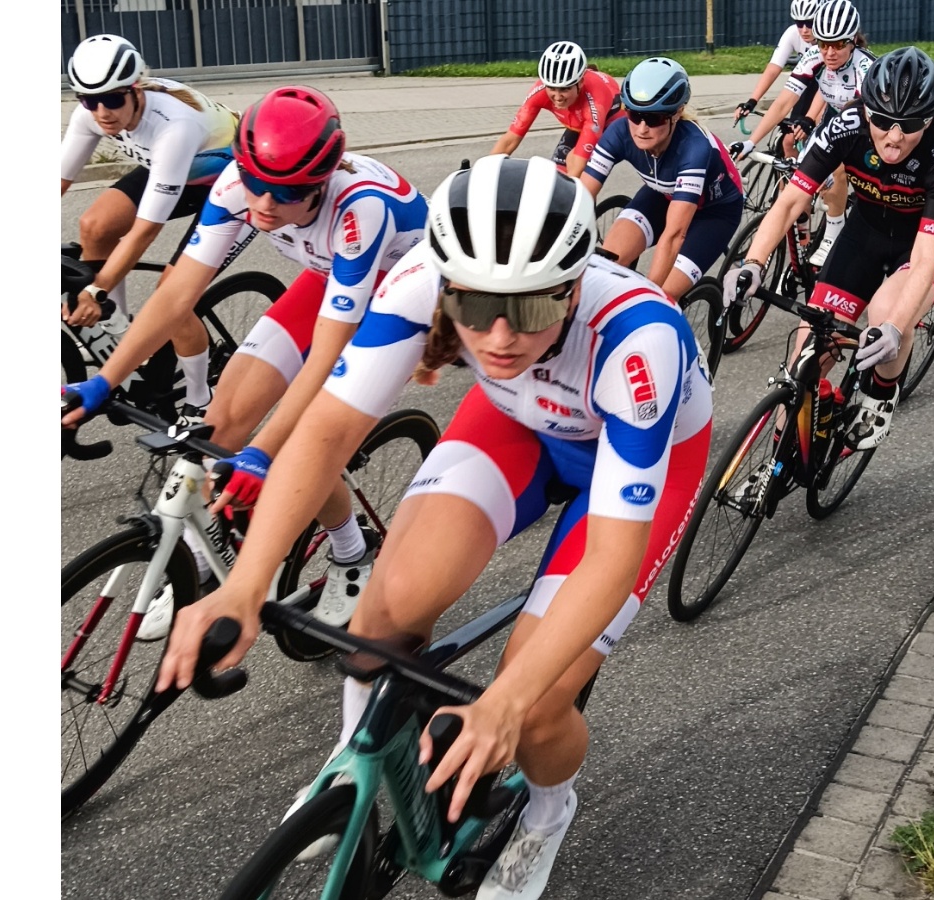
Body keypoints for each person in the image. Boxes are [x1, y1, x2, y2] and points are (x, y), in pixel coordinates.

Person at [155, 154, 713, 900]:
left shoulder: (641, 340)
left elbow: (612, 558)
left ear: (576, 286)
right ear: (447, 285)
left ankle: (547, 812)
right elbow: (324, 432)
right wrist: (248, 582)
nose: (503, 338)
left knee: (541, 700)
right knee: (386, 608)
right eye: (477, 309)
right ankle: (354, 762)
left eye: (537, 307)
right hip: (518, 424)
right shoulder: (418, 276)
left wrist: (505, 701)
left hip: (638, 458)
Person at [63, 85, 429, 635]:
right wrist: (104, 383)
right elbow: (174, 295)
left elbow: (325, 355)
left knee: (307, 436)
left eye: (283, 194)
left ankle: (352, 554)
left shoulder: (360, 209)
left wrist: (264, 452)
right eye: (254, 183)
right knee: (221, 417)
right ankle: (194, 559)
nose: (261, 204)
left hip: (401, 292)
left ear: (319, 184)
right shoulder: (240, 181)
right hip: (328, 274)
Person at [724, 47, 934, 450]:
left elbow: (926, 257)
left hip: (929, 244)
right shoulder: (847, 125)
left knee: (886, 315)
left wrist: (894, 327)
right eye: (884, 120)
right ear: (867, 109)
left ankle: (882, 395)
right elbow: (789, 202)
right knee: (805, 356)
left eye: (909, 125)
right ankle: (775, 461)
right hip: (867, 229)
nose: (894, 136)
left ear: (928, 121)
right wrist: (753, 262)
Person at [61, 33, 243, 420]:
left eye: (112, 99)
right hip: (179, 173)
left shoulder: (173, 125)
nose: (102, 112)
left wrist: (96, 288)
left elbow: (145, 230)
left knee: (171, 295)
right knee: (95, 224)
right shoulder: (91, 116)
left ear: (136, 90)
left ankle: (199, 399)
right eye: (90, 101)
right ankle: (119, 331)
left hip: (234, 185)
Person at [579, 57, 744, 302]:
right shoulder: (619, 132)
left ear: (677, 113)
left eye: (654, 118)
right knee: (604, 266)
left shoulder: (694, 148)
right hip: (662, 195)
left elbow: (674, 235)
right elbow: (581, 196)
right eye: (634, 115)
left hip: (714, 212)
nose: (642, 128)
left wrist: (648, 298)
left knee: (660, 296)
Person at [732, 0, 875, 267]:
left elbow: (855, 125)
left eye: (838, 44)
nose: (829, 52)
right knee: (799, 180)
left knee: (837, 170)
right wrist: (751, 143)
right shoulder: (815, 58)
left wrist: (825, 160)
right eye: (823, 44)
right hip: (835, 116)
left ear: (853, 41)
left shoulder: (865, 68)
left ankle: (833, 233)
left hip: (866, 126)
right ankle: (778, 251)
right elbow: (784, 102)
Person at [490, 41, 624, 178]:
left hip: (610, 123)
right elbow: (510, 139)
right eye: (552, 88)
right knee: (555, 174)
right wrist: (485, 171)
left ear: (580, 83)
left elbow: (579, 166)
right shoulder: (540, 91)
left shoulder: (594, 104)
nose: (558, 97)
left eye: (565, 89)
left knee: (576, 166)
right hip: (579, 123)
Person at [732, 0, 827, 159]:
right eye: (799, 23)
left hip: (833, 92)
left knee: (820, 144)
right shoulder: (793, 34)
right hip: (809, 86)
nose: (804, 30)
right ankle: (790, 181)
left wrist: (810, 119)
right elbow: (774, 68)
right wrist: (752, 100)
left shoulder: (830, 46)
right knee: (789, 142)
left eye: (810, 23)